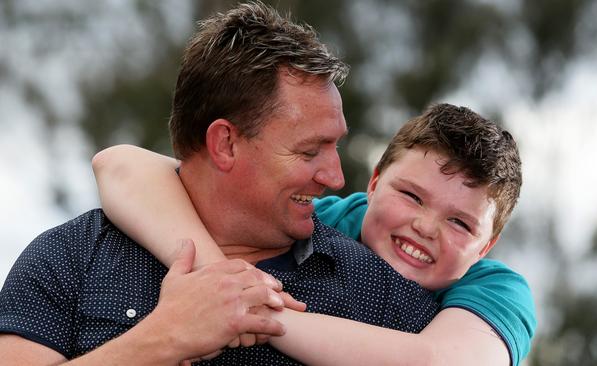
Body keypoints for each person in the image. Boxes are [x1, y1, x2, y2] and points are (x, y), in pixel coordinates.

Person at [0, 2, 470, 365]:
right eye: (309, 151)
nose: (335, 177)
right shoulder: (74, 255)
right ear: (225, 144)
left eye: (334, 147)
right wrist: (162, 339)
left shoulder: (377, 291)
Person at [94, 103, 536, 365]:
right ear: (376, 183)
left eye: (460, 222)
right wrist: (225, 284)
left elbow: (437, 362)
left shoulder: (497, 290)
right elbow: (119, 165)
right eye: (412, 196)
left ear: (487, 245)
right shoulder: (321, 219)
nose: (425, 227)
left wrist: (254, 314)